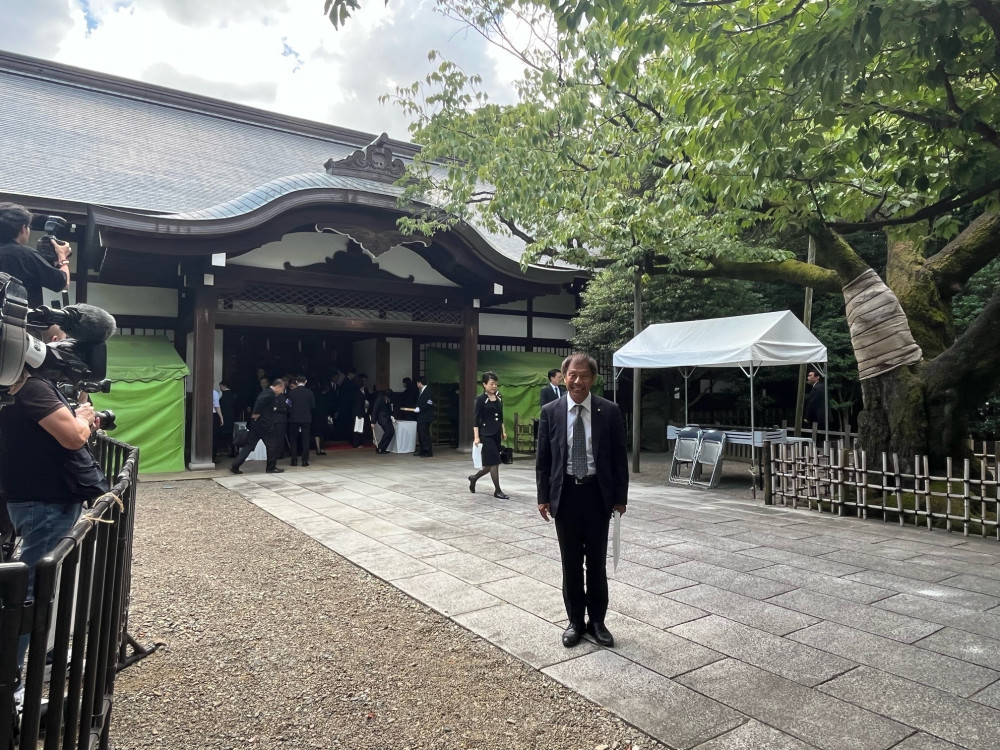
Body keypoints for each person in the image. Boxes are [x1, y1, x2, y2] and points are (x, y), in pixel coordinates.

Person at [0, 365, 109, 673]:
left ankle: (40, 656)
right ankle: (12, 681)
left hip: (40, 498)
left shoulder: (21, 384)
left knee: (45, 584)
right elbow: (73, 437)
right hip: (45, 502)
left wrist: (83, 419)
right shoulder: (32, 386)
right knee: (32, 588)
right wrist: (83, 419)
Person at [536, 353, 628, 649]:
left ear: (593, 378)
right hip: (565, 495)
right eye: (572, 375)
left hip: (597, 494)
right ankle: (575, 621)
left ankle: (597, 622)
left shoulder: (609, 410)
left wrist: (620, 497)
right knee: (571, 563)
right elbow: (544, 459)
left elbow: (618, 458)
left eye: (583, 375)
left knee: (597, 563)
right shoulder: (551, 411)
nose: (577, 381)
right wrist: (542, 497)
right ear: (563, 378)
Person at [0, 202, 71, 308]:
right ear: (23, 229)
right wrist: (62, 256)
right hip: (18, 321)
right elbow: (63, 284)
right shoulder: (25, 255)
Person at [230, 379, 286, 474]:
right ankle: (271, 467)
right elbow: (260, 402)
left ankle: (235, 465)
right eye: (282, 389)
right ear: (278, 387)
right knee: (272, 445)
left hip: (256, 425)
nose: (282, 391)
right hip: (265, 425)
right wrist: (256, 413)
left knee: (249, 445)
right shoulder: (270, 394)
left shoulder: (266, 392)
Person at [468, 371, 509, 499]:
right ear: (484, 384)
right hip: (485, 434)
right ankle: (497, 490)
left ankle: (474, 478)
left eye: (496, 384)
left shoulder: (499, 397)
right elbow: (476, 419)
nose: (494, 386)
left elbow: (500, 416)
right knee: (495, 462)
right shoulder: (480, 399)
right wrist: (476, 436)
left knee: (488, 465)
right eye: (491, 384)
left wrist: (503, 430)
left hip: (496, 433)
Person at [287, 376, 315, 466]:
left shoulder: (291, 392)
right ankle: (305, 460)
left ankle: (294, 460)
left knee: (293, 439)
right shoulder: (310, 393)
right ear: (305, 382)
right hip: (306, 418)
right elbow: (313, 406)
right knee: (305, 439)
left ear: (296, 381)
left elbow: (288, 405)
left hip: (294, 418)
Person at [413, 375, 434, 457]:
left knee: (424, 434)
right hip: (421, 416)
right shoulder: (422, 391)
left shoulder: (428, 391)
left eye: (417, 383)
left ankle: (428, 451)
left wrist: (420, 408)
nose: (417, 384)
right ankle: (422, 450)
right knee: (421, 434)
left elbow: (429, 403)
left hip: (426, 416)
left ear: (419, 383)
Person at [372, 389, 395, 454]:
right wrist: (373, 422)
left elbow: (390, 409)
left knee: (392, 431)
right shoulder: (379, 399)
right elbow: (375, 410)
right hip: (381, 417)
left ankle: (383, 448)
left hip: (388, 417)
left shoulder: (389, 400)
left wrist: (392, 416)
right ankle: (380, 447)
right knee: (388, 431)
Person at [218, 382, 237, 457]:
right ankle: (233, 451)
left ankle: (222, 449)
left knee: (222, 433)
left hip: (223, 416)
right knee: (230, 434)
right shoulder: (233, 394)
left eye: (220, 386)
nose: (220, 388)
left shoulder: (221, 394)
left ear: (224, 386)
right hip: (231, 416)